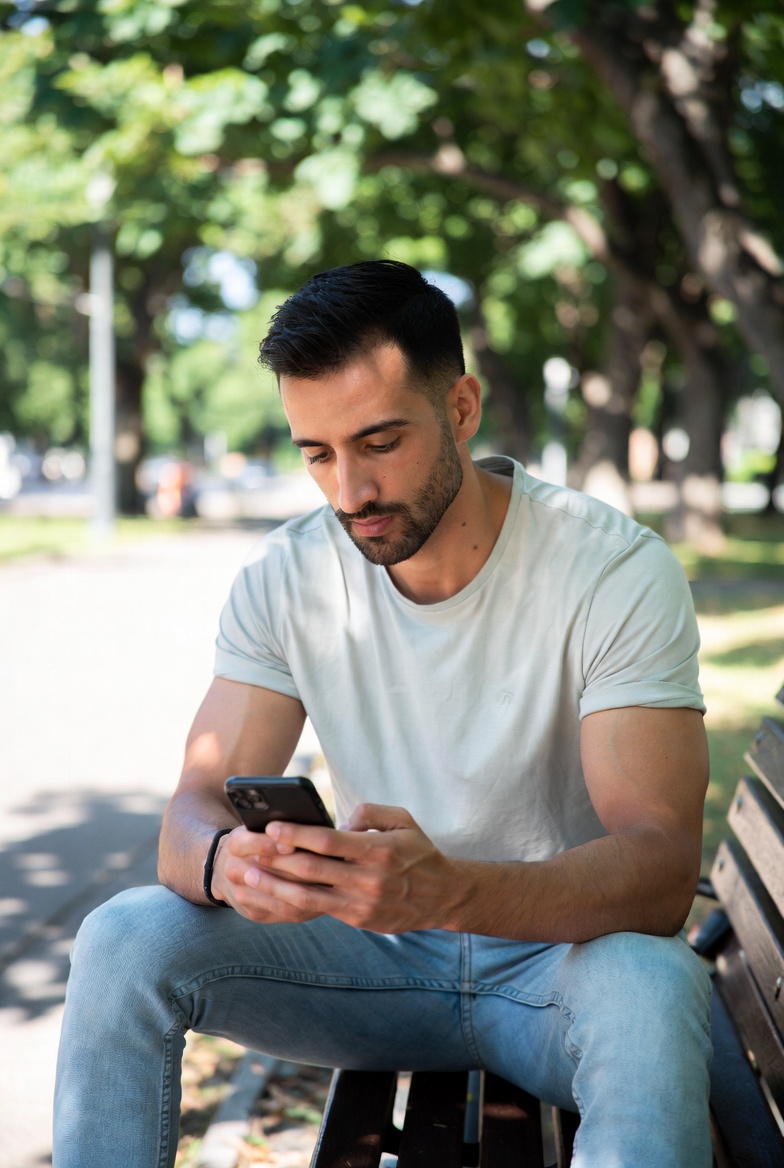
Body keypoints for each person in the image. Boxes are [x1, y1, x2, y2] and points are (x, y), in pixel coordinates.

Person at [54, 260, 712, 1167]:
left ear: (463, 409)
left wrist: (453, 890)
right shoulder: (288, 577)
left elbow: (660, 869)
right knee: (123, 936)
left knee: (654, 986)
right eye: (318, 454)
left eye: (380, 442)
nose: (350, 493)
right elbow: (188, 814)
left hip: (561, 967)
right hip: (372, 965)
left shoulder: (612, 571)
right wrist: (231, 865)